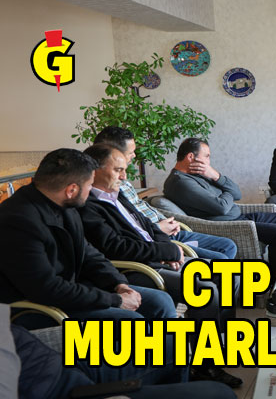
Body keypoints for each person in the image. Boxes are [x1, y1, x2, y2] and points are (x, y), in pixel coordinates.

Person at [79, 143, 242, 388]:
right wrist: (164, 251)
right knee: (204, 290)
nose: (124, 176)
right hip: (136, 268)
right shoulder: (89, 205)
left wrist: (169, 248)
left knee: (227, 273)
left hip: (157, 257)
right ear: (95, 171)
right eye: (118, 170)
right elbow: (115, 247)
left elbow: (149, 226)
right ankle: (205, 367)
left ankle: (217, 343)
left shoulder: (117, 193)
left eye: (124, 170)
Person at [0, 149, 177, 325]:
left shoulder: (63, 204)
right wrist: (114, 300)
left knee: (159, 301)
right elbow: (46, 288)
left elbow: (88, 253)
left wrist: (118, 284)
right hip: (35, 307)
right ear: (71, 190)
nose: (92, 190)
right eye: (90, 185)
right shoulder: (18, 221)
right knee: (131, 323)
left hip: (72, 290)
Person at [3, 304, 236, 399]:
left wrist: (118, 287)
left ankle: (198, 370)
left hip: (59, 363)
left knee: (172, 341)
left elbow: (94, 258)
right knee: (217, 395)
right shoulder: (20, 224)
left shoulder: (62, 217)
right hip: (54, 389)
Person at [163, 138, 276, 280]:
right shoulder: (181, 182)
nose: (208, 162)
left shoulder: (200, 173)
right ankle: (275, 280)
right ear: (190, 157)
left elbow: (237, 193)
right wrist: (227, 192)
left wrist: (216, 175)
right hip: (229, 224)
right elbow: (221, 207)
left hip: (239, 215)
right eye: (206, 156)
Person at [94, 126, 237, 260]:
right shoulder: (107, 192)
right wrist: (159, 232)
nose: (134, 155)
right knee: (221, 260)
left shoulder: (122, 183)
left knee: (228, 246)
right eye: (131, 152)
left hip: (165, 230)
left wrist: (216, 176)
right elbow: (127, 234)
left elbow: (236, 194)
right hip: (155, 238)